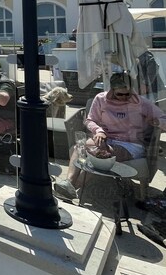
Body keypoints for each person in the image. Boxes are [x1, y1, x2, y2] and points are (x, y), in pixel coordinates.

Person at [54, 73, 166, 201]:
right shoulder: (101, 99)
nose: (124, 97)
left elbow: (164, 119)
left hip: (130, 144)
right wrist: (99, 131)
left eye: (127, 94)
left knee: (102, 154)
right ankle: (69, 182)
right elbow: (90, 120)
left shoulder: (141, 103)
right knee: (80, 147)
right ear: (112, 90)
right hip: (106, 138)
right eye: (120, 94)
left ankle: (74, 187)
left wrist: (157, 122)